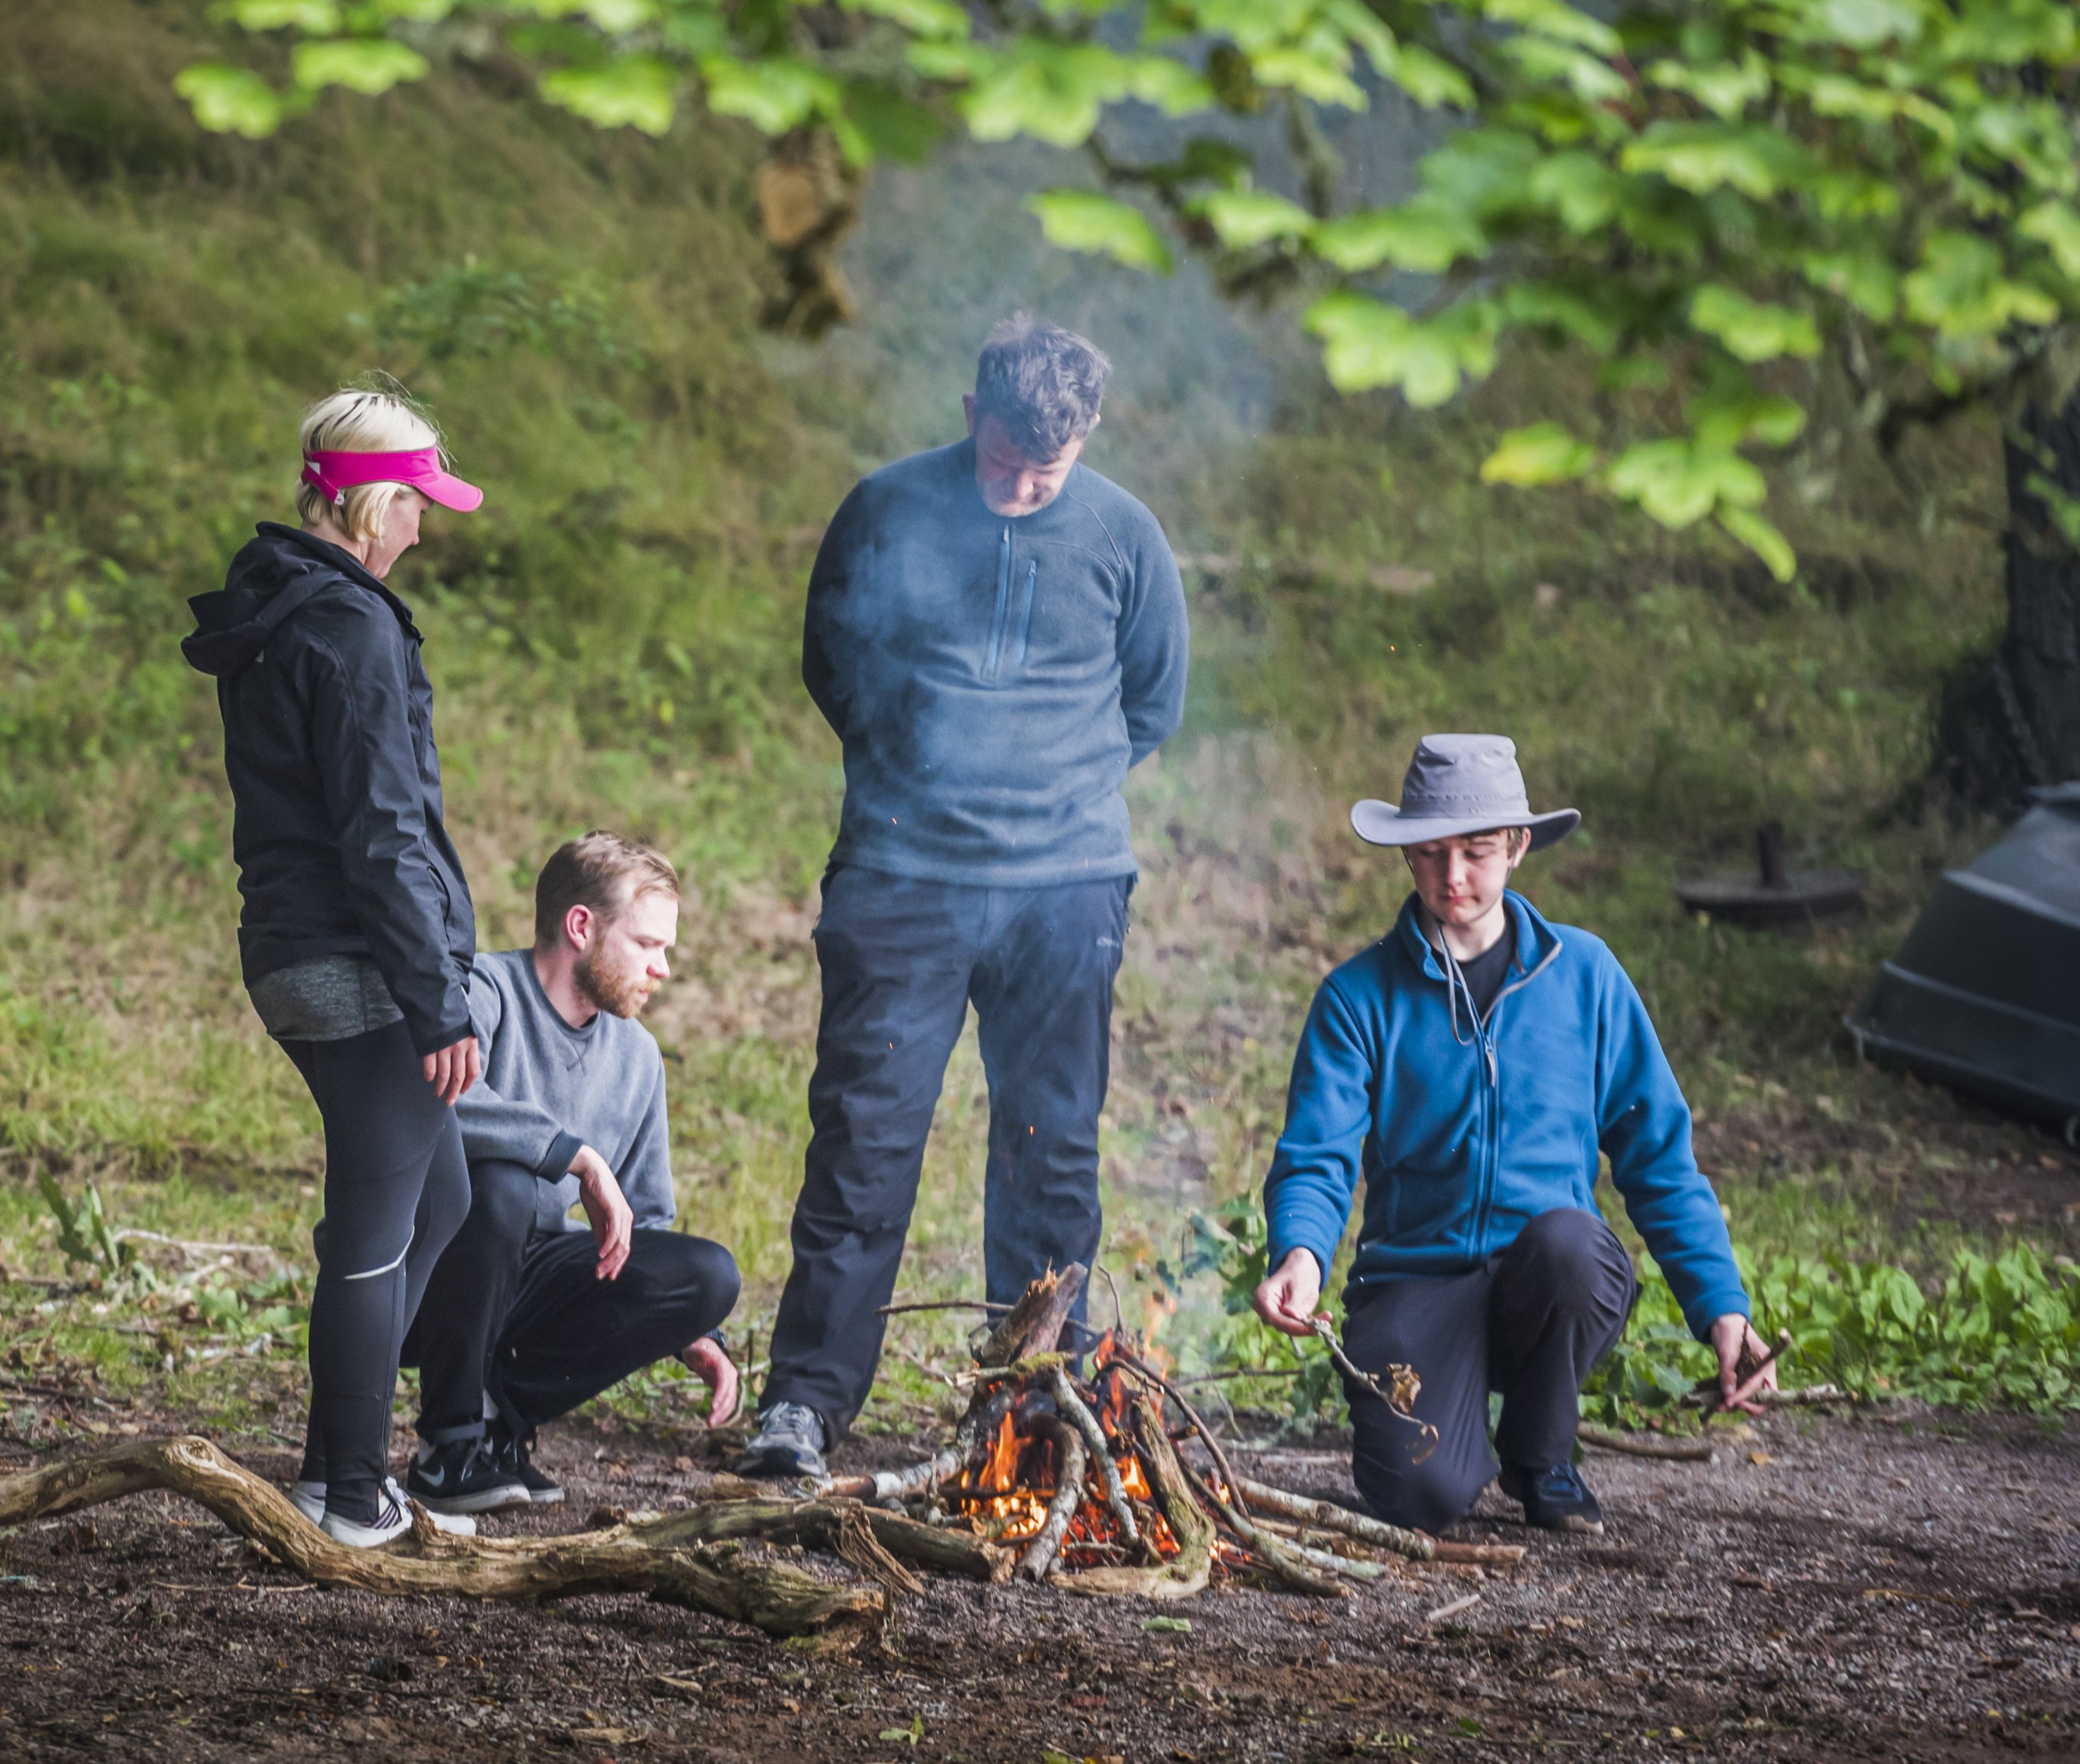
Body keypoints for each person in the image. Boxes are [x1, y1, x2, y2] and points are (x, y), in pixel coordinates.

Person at [742, 314, 1190, 1478]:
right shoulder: (886, 509)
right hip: (902, 876)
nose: (1021, 484)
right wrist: (912, 779)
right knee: (863, 1138)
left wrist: (1051, 800)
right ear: (967, 415)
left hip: (1065, 890)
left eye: (1046, 467)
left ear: (1085, 434)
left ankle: (1039, 1401)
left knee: (1049, 1149)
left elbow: (1151, 702)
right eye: (1003, 459)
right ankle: (803, 1402)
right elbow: (829, 663)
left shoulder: (1123, 535)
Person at [1251, 734, 1780, 1535]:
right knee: (1420, 1501)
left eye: (1476, 851)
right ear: (1406, 857)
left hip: (1547, 1282)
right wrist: (1299, 1252)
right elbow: (1317, 1153)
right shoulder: (1357, 998)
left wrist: (1720, 1308)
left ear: (1517, 848)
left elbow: (1657, 1158)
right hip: (1415, 1288)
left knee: (1571, 1247)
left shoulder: (1585, 976)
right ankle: (1455, 1447)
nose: (1453, 876)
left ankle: (1540, 1454)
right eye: (1430, 854)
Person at [182, 385, 488, 1547]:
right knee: (373, 1229)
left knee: (440, 1196)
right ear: (366, 503)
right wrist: (436, 999)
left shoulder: (285, 600)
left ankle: (333, 1459)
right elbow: (382, 832)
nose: (423, 525)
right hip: (355, 961)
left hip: (299, 947)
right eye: (415, 502)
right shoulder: (350, 625)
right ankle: (344, 1487)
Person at [394, 832, 743, 1513]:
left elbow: (646, 1223)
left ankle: (499, 1426)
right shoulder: (480, 990)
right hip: (427, 1271)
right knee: (504, 1187)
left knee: (707, 1275)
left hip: (530, 1282)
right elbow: (438, 1095)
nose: (662, 968)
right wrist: (573, 1155)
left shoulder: (637, 1056)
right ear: (580, 926)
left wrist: (690, 1326)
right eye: (647, 945)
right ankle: (449, 1443)